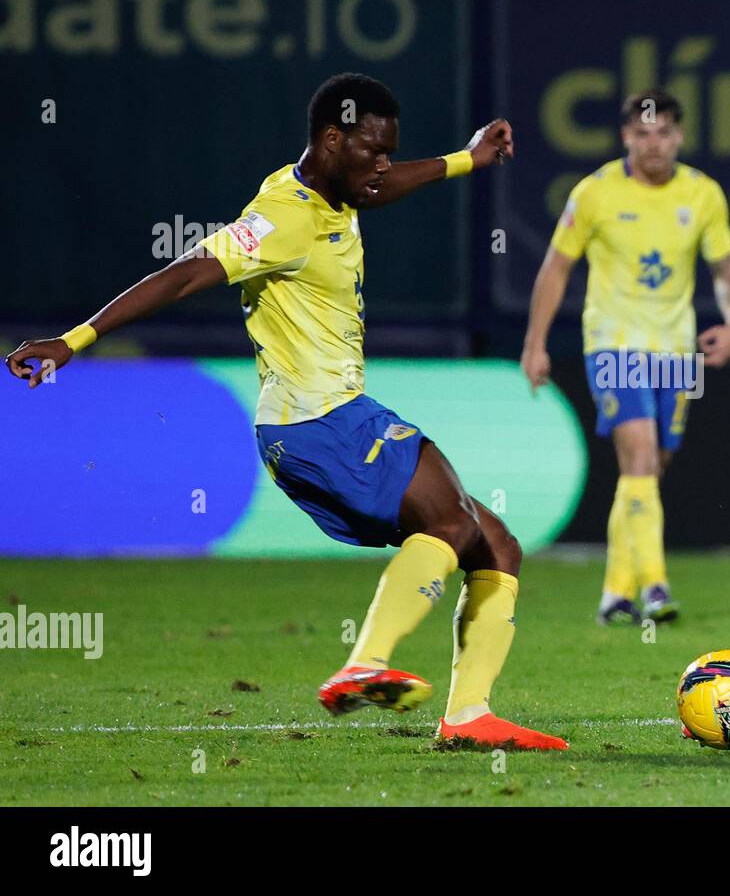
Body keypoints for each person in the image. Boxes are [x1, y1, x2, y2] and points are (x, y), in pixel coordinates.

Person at [5, 73, 568, 751]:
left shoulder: (341, 187)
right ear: (332, 139)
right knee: (448, 516)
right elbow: (185, 271)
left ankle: (469, 715)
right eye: (373, 151)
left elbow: (378, 189)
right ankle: (364, 660)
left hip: (322, 426)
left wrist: (466, 159)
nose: (382, 166)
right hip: (319, 421)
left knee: (494, 543)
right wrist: (75, 340)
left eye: (390, 152)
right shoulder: (282, 217)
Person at [521, 88, 730, 625]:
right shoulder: (595, 193)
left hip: (675, 350)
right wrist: (535, 343)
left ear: (680, 136)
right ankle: (655, 588)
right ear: (626, 136)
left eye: (664, 133)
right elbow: (555, 269)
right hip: (614, 344)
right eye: (642, 134)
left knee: (649, 469)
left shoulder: (703, 194)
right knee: (642, 456)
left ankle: (614, 593)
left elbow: (726, 270)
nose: (654, 144)